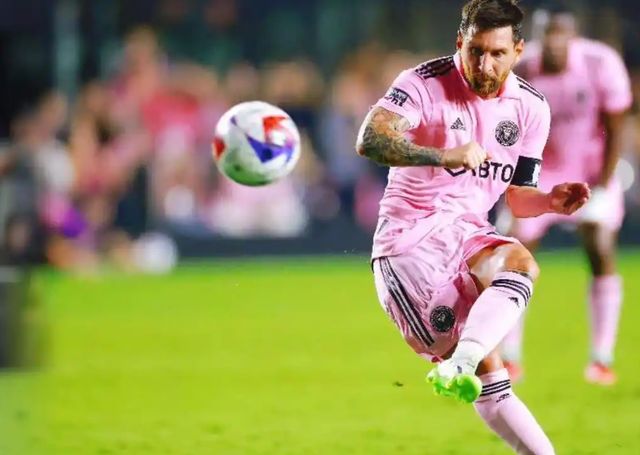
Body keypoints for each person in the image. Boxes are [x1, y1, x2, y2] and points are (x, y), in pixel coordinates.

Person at [355, 1, 590, 453]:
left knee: (521, 264)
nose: (485, 65)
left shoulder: (531, 108)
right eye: (475, 51)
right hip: (409, 247)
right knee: (494, 386)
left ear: (518, 51)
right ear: (459, 42)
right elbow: (370, 139)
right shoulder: (423, 83)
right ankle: (465, 361)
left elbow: (518, 196)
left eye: (497, 54)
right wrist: (443, 155)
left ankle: (460, 363)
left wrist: (549, 201)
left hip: (466, 232)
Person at [500, 3, 632, 386]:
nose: (554, 42)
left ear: (572, 36)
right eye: (548, 34)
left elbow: (615, 127)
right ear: (537, 37)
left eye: (561, 33)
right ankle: (510, 356)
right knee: (514, 254)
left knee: (600, 246)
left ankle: (602, 358)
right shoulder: (523, 69)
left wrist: (603, 185)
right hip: (543, 172)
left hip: (590, 170)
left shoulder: (600, 63)